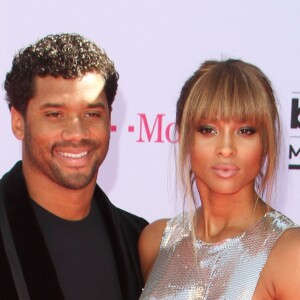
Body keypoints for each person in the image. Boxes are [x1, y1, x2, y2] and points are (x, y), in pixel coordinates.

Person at [0, 33, 148, 300]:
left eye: (92, 114)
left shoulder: (138, 240)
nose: (76, 133)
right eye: (55, 114)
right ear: (18, 122)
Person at [139, 59, 300, 299]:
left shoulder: (290, 253)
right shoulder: (156, 241)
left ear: (265, 141)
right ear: (184, 136)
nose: (226, 148)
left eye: (245, 130)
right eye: (208, 129)